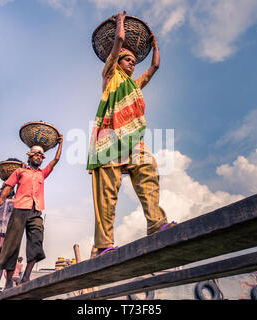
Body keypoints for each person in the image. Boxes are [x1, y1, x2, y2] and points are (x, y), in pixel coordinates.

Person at [87, 11, 176, 257]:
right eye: (128, 60)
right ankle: (104, 244)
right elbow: (117, 43)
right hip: (109, 137)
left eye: (134, 61)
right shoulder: (109, 74)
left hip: (132, 138)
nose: (132, 63)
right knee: (107, 191)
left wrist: (155, 45)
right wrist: (120, 23)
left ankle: (156, 223)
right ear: (117, 61)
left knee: (148, 167)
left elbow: (154, 67)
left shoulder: (134, 84)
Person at [0, 135, 63, 293]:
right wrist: (1, 199)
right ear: (30, 156)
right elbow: (9, 186)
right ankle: (8, 280)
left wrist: (60, 143)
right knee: (11, 244)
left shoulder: (42, 174)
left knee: (37, 240)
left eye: (41, 156)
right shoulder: (20, 171)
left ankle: (26, 276)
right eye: (35, 155)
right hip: (19, 209)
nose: (38, 157)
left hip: (36, 210)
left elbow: (56, 160)